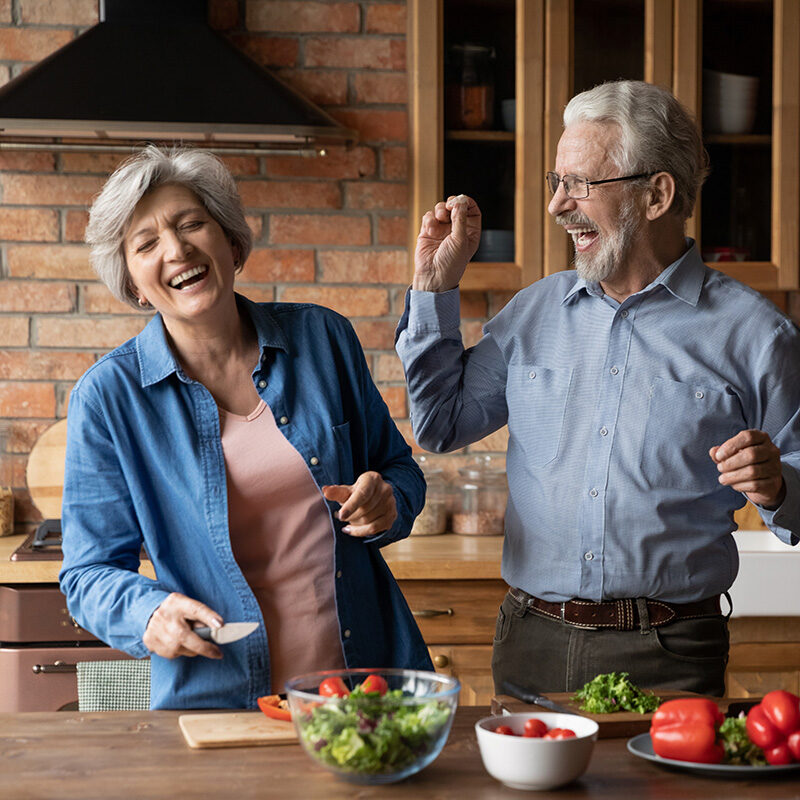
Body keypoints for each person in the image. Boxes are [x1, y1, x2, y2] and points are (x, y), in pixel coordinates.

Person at [396, 80, 800, 697]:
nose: (558, 206)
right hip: (530, 640)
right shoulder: (533, 312)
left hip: (671, 652)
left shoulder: (757, 334)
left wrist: (776, 484)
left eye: (581, 184)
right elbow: (440, 424)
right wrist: (433, 286)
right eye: (557, 183)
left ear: (657, 194)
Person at [60, 146, 431, 710]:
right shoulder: (109, 398)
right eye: (147, 243)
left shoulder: (322, 340)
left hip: (365, 688)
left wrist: (389, 500)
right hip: (220, 699)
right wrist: (148, 613)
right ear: (134, 283)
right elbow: (87, 575)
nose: (177, 249)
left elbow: (399, 471)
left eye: (191, 225)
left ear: (230, 242)